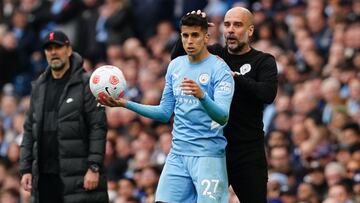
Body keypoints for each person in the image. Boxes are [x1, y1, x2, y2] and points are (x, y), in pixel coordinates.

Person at [98, 13, 234, 202]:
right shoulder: (175, 66)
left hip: (207, 155)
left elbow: (223, 117)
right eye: (185, 36)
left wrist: (202, 96)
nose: (189, 41)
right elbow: (164, 113)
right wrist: (126, 103)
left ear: (206, 37)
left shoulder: (220, 70)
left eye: (195, 35)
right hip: (178, 154)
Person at [172, 7, 278, 203]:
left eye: (237, 25)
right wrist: (192, 26)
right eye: (227, 24)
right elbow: (177, 59)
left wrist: (233, 76)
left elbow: (267, 94)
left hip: (248, 152)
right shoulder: (214, 53)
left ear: (250, 30)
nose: (230, 29)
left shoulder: (263, 61)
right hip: (213, 150)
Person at [19, 31, 109, 203]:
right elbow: (29, 130)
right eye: (49, 49)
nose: (53, 52)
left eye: (58, 47)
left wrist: (94, 167)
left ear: (68, 50)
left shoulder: (87, 84)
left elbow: (98, 127)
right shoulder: (39, 86)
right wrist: (25, 169)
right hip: (44, 179)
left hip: (78, 177)